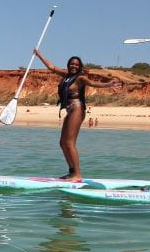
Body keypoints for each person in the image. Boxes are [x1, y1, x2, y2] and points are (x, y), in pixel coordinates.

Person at [34, 49, 121, 180]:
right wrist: (39, 54)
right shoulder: (66, 75)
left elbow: (93, 83)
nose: (73, 66)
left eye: (76, 64)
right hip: (69, 110)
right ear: (68, 65)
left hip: (77, 109)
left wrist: (108, 85)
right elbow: (51, 67)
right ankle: (72, 171)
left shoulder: (80, 78)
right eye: (72, 64)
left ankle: (77, 174)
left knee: (69, 143)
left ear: (80, 67)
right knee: (62, 143)